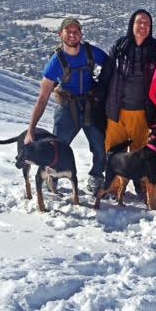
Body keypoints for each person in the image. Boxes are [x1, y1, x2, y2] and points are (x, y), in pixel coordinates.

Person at [24, 17, 108, 193]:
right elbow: (43, 97)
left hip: (90, 105)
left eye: (76, 31)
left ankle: (96, 176)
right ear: (60, 34)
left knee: (100, 146)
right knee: (56, 147)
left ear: (81, 34)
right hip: (67, 108)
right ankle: (50, 177)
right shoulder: (56, 62)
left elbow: (111, 67)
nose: (72, 35)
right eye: (68, 31)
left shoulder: (91, 53)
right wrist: (31, 129)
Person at [99, 9, 156, 154]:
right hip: (116, 110)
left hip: (142, 112)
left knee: (139, 159)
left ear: (151, 27)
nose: (143, 26)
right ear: (132, 24)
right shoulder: (119, 46)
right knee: (114, 156)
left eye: (146, 23)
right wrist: (99, 101)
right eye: (139, 22)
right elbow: (106, 75)